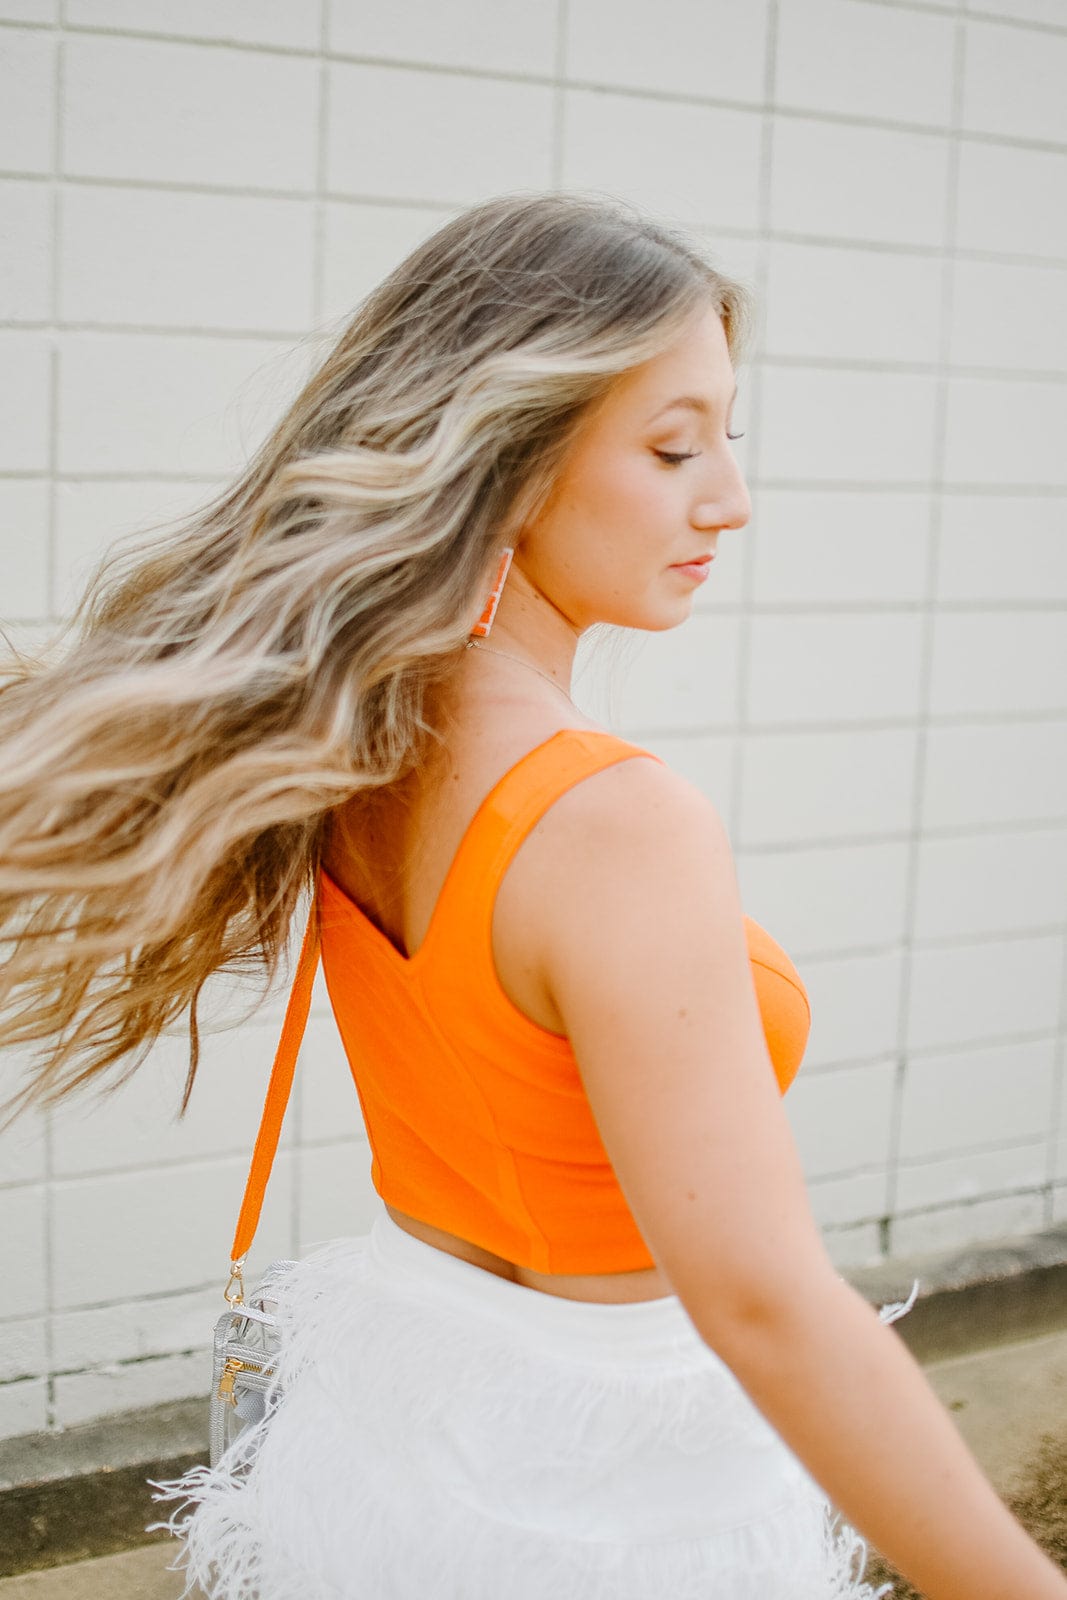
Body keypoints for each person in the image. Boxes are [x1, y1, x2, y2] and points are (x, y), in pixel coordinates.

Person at [0, 191, 1062, 1600]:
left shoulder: (342, 738)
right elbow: (765, 1301)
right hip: (617, 1494)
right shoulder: (615, 821)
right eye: (675, 446)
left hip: (406, 1432)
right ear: (506, 458)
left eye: (728, 439)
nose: (729, 497)